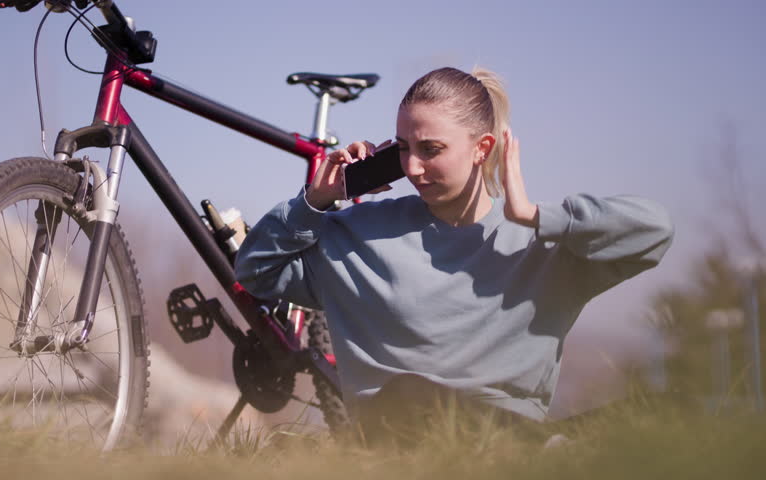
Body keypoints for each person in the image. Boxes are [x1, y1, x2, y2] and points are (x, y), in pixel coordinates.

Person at [234, 66, 674, 443]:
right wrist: (312, 203)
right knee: (410, 396)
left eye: (431, 150)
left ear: (482, 148)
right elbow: (256, 272)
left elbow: (655, 231)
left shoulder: (544, 244)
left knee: (663, 410)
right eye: (403, 148)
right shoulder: (355, 236)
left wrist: (538, 214)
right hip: (400, 435)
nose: (411, 168)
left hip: (516, 439)